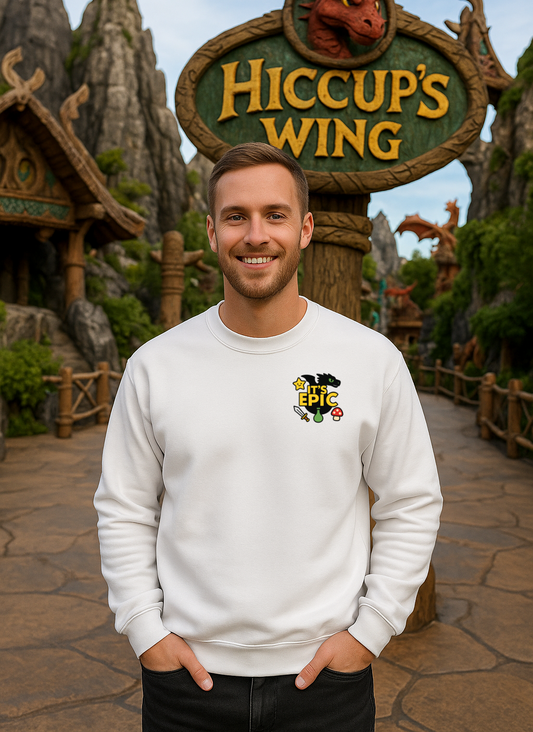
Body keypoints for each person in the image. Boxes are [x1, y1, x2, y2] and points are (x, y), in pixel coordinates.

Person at [94, 142, 442, 732]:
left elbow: (412, 502)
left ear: (305, 228)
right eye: (236, 217)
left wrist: (372, 630)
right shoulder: (156, 365)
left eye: (275, 215)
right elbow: (123, 508)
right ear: (211, 231)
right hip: (187, 684)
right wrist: (144, 629)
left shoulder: (369, 360)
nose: (256, 235)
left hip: (326, 683)